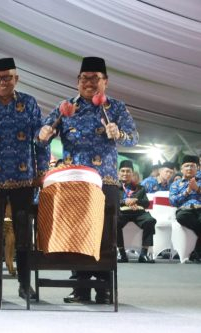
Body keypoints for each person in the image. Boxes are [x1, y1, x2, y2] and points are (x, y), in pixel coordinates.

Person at [39, 56, 138, 304]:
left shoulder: (115, 107)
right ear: (77, 81)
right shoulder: (66, 108)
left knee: (105, 235)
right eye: (85, 79)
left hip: (105, 181)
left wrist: (120, 133)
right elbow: (41, 137)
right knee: (77, 233)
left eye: (95, 79)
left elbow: (134, 138)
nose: (89, 83)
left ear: (106, 81)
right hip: (74, 182)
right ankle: (80, 287)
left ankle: (104, 288)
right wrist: (43, 134)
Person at [0, 57, 50, 300]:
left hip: (23, 179)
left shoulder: (29, 103)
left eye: (7, 78)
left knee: (24, 234)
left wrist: (42, 170)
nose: (2, 82)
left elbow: (41, 141)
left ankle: (25, 284)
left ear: (17, 78)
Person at [116, 160, 156, 263]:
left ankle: (144, 254)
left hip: (139, 213)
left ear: (132, 173)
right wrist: (125, 201)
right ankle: (121, 253)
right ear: (118, 173)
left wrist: (136, 200)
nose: (125, 174)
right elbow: (112, 201)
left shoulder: (140, 188)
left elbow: (146, 203)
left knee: (150, 221)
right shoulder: (115, 187)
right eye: (123, 171)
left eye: (128, 171)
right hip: (122, 213)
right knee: (114, 221)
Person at [169, 155, 201, 262]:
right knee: (182, 217)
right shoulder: (176, 184)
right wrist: (186, 192)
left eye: (192, 166)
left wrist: (197, 189)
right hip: (185, 211)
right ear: (182, 169)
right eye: (186, 166)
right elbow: (173, 201)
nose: (189, 168)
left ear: (197, 168)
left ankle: (196, 253)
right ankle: (196, 252)